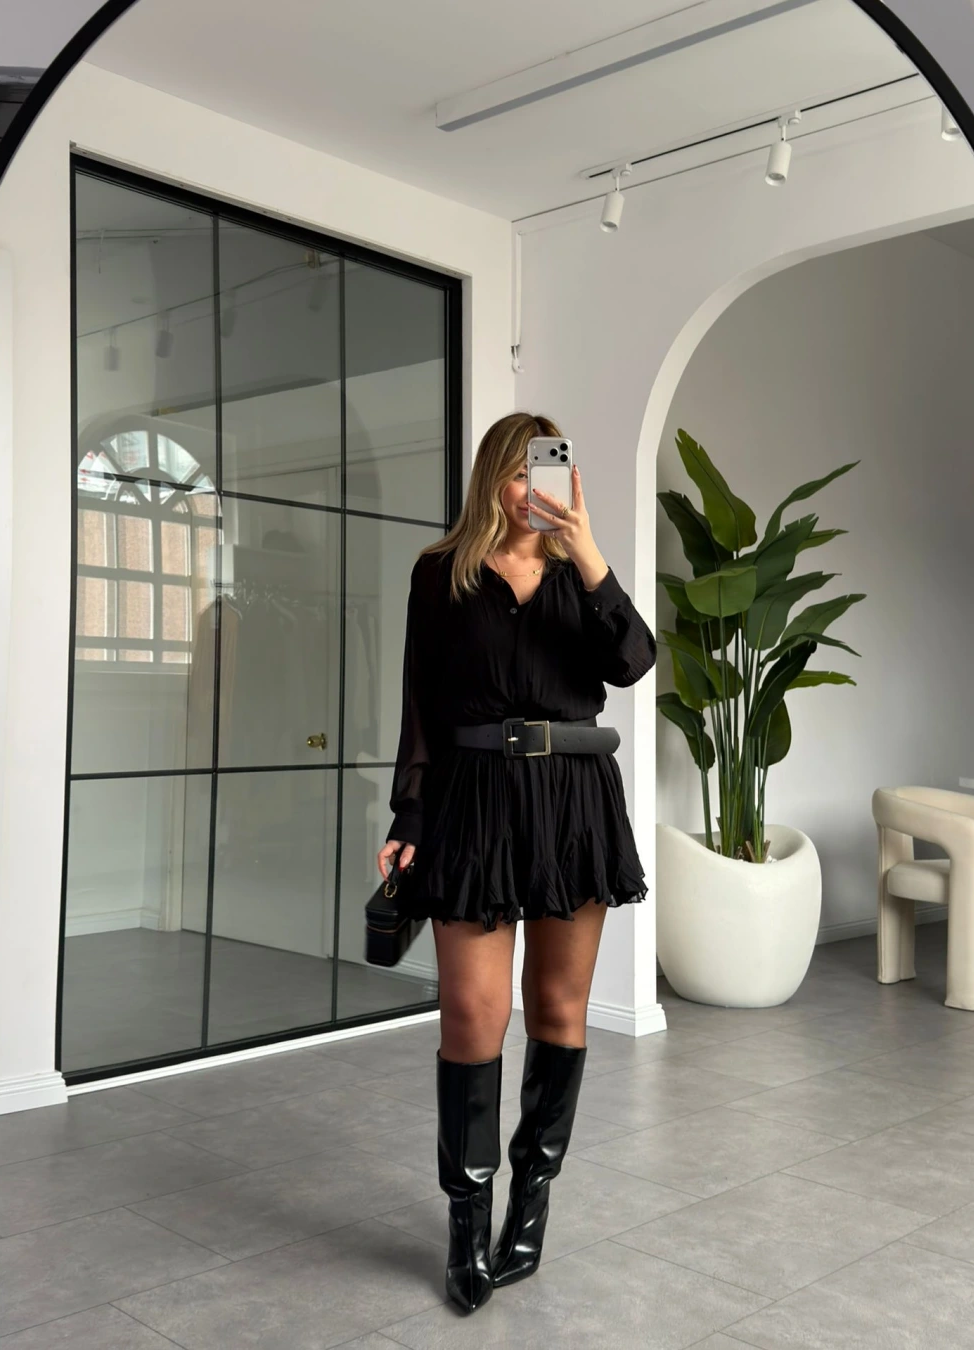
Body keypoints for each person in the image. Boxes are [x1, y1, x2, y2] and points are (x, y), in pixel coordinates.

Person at [376, 412, 657, 1314]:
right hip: (472, 803)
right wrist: (409, 814)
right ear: (495, 477)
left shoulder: (582, 577)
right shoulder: (440, 574)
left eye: (552, 470)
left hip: (573, 804)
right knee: (472, 1012)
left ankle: (529, 1208)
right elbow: (420, 704)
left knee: (559, 1008)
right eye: (524, 471)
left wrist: (587, 550)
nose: (538, 487)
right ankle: (467, 1222)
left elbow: (634, 662)